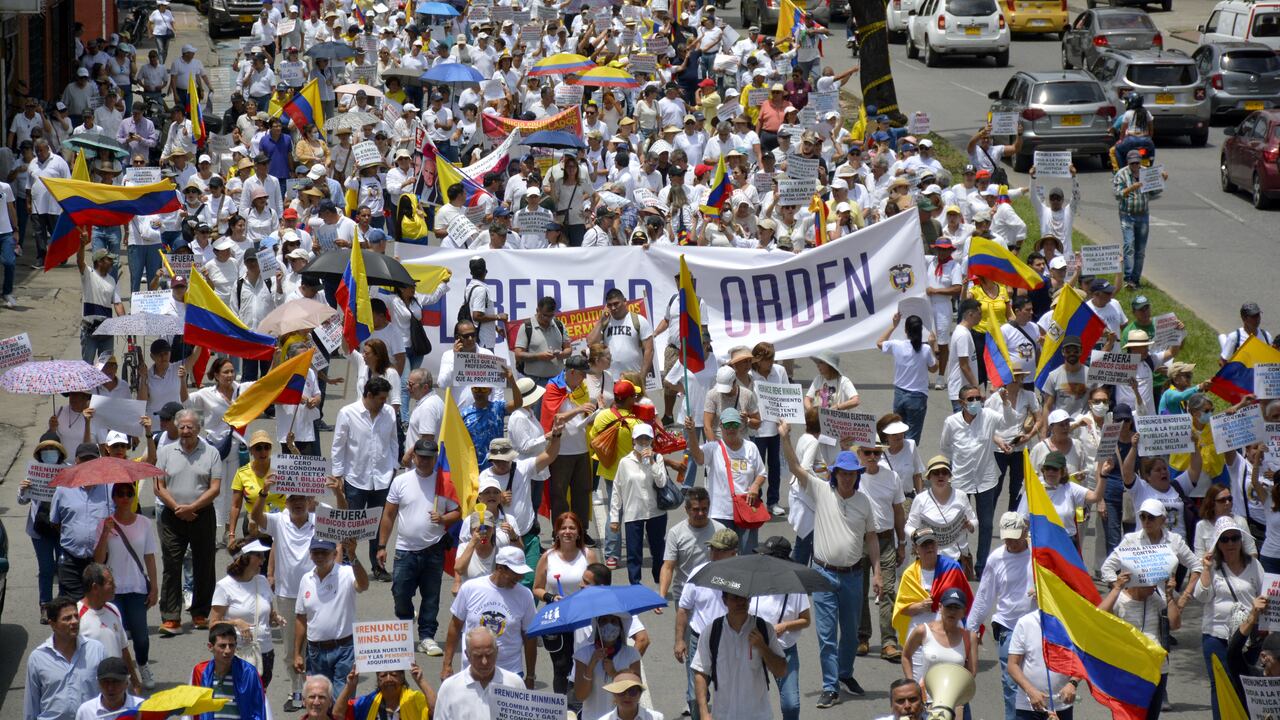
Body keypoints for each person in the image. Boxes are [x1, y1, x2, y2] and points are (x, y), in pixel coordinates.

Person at [779, 432, 880, 709]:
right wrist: (785, 438)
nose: (847, 478)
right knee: (826, 636)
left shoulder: (864, 502)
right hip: (823, 574)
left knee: (850, 633)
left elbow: (872, 537)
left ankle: (845, 673)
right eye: (842, 473)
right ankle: (830, 686)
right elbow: (795, 467)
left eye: (851, 474)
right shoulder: (821, 491)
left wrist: (878, 572)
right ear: (834, 474)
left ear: (857, 476)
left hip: (854, 576)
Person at [377, 437, 461, 658]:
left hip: (434, 549)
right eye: (421, 457)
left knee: (431, 596)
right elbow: (389, 514)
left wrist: (443, 518)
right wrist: (382, 545)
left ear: (435, 459)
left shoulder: (444, 481)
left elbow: (458, 511)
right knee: (400, 593)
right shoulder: (401, 481)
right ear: (413, 457)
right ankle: (405, 620)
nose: (424, 461)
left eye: (429, 458)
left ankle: (426, 636)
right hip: (405, 550)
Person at [154, 408, 222, 636]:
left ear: (199, 428)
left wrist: (192, 508)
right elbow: (159, 486)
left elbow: (215, 488)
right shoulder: (164, 452)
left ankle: (200, 612)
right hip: (171, 514)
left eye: (190, 427)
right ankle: (171, 617)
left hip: (202, 514)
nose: (185, 431)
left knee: (204, 564)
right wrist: (178, 508)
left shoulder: (211, 452)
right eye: (181, 426)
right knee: (172, 564)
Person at [965, 512, 1033, 720]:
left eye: (1015, 537)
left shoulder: (1038, 553)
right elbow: (985, 595)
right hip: (1008, 627)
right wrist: (971, 628)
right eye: (1007, 538)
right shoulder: (996, 558)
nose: (1011, 543)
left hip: (1037, 627)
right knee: (1011, 683)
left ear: (1025, 532)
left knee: (1035, 680)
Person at [1194, 516, 1263, 720]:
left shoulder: (1254, 565)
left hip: (1246, 637)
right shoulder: (1213, 566)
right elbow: (1201, 596)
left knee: (1245, 686)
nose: (1231, 543)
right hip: (1216, 636)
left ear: (1241, 540)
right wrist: (1206, 569)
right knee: (1221, 686)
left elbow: (1266, 595)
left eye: (1235, 538)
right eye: (1225, 539)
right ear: (1218, 543)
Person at [92, 479, 157, 690]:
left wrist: (155, 588)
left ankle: (143, 664)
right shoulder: (105, 523)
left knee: (141, 637)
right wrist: (105, 533)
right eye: (120, 494)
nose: (125, 498)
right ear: (113, 498)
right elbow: (98, 560)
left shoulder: (144, 523)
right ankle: (123, 675)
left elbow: (149, 557)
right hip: (112, 591)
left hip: (137, 587)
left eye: (129, 493)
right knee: (116, 637)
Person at [330, 377, 398, 579]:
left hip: (383, 477)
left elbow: (394, 441)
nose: (384, 402)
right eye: (381, 398)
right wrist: (337, 475)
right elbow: (338, 445)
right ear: (369, 395)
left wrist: (394, 467)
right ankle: (345, 563)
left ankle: (378, 566)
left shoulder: (389, 413)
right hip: (355, 477)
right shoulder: (347, 413)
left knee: (378, 525)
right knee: (351, 524)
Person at [442, 545, 538, 683]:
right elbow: (455, 627)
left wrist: (530, 676)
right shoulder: (470, 588)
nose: (520, 577)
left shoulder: (525, 595)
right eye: (515, 572)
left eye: (521, 572)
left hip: (510, 672)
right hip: (472, 670)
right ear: (500, 568)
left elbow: (530, 637)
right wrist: (447, 664)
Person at [690, 588, 788, 720]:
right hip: (723, 716)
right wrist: (703, 712)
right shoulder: (712, 632)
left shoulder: (764, 629)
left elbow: (781, 671)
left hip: (759, 716)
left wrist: (762, 647)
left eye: (744, 597)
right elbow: (701, 672)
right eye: (735, 597)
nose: (741, 602)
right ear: (724, 600)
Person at [294, 537, 369, 700]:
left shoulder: (347, 572)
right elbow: (301, 618)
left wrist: (353, 556)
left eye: (324, 552)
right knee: (320, 699)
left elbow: (363, 585)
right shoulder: (306, 579)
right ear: (310, 554)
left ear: (335, 554)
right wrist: (297, 653)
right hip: (315, 652)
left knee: (342, 700)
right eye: (316, 552)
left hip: (344, 649)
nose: (320, 556)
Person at [675, 527, 738, 720]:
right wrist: (680, 640)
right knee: (695, 696)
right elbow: (683, 609)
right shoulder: (698, 573)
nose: (714, 554)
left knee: (727, 694)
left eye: (720, 550)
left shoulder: (742, 578)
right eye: (712, 549)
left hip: (729, 641)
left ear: (733, 553)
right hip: (699, 640)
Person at [532, 511, 597, 697]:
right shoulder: (547, 557)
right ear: (557, 532)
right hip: (557, 620)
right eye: (563, 528)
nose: (567, 532)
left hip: (583, 619)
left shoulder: (588, 555)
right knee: (561, 666)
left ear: (579, 532)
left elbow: (599, 586)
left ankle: (581, 705)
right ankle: (561, 707)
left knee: (583, 665)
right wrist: (551, 597)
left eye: (572, 528)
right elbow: (537, 588)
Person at [685, 408, 767, 554]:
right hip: (721, 513)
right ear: (721, 426)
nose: (731, 429)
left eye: (734, 425)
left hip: (746, 511)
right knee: (722, 557)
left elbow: (761, 473)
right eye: (727, 425)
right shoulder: (713, 448)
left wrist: (755, 486)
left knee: (748, 557)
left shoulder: (751, 448)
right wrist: (691, 433)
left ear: (740, 426)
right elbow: (698, 457)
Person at [751, 536, 812, 720]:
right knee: (751, 704)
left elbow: (806, 620)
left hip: (784, 651)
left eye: (767, 556)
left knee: (791, 705)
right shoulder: (754, 580)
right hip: (754, 650)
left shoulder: (794, 586)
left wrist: (785, 626)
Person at [1100, 570, 1176, 720]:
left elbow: (1175, 624)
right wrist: (1117, 588)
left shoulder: (1156, 598)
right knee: (1126, 716)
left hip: (1157, 669)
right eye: (1150, 582)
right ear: (1136, 581)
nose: (1154, 586)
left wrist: (1169, 596)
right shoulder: (1119, 599)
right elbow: (1098, 618)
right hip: (1129, 671)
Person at [209, 539, 278, 687]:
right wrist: (236, 622)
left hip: (265, 651)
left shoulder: (262, 581)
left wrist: (275, 617)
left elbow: (269, 612)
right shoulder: (224, 586)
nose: (263, 559)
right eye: (258, 555)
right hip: (238, 653)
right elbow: (213, 624)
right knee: (238, 695)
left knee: (260, 694)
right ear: (245, 558)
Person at [49, 443, 113, 601]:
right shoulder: (63, 489)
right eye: (84, 460)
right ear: (76, 461)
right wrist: (74, 535)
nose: (88, 464)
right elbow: (55, 521)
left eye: (92, 460)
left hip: (99, 561)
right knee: (74, 603)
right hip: (70, 559)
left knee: (96, 603)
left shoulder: (109, 489)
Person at [25, 597, 106, 720]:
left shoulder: (96, 650)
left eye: (76, 616)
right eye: (67, 618)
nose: (74, 621)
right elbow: (31, 704)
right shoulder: (38, 658)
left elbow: (110, 692)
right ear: (53, 624)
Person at [610, 423, 670, 585]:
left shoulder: (657, 458)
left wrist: (651, 462)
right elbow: (617, 490)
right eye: (640, 439)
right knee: (634, 553)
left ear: (651, 441)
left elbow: (662, 482)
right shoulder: (625, 462)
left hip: (655, 512)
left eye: (647, 439)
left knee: (658, 551)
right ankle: (635, 586)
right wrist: (614, 518)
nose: (643, 442)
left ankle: (659, 582)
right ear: (633, 441)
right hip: (633, 512)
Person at [901, 588, 975, 710]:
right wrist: (912, 685)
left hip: (955, 703)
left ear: (964, 612)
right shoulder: (923, 631)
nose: (952, 611)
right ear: (940, 607)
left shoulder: (969, 637)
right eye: (948, 607)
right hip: (926, 700)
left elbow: (971, 673)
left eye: (957, 607)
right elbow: (906, 656)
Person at [75, 564, 142, 695]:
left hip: (119, 689)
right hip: (93, 692)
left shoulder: (113, 609)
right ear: (95, 587)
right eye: (110, 583)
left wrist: (135, 682)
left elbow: (124, 649)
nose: (115, 587)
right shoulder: (76, 616)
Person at [434, 627, 525, 720]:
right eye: (478, 656)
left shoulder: (514, 684)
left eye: (489, 655)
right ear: (467, 655)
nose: (484, 662)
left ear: (497, 651)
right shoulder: (450, 688)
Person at [1007, 611, 1084, 720]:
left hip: (1062, 706)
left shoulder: (1072, 623)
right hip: (1028, 706)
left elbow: (1082, 661)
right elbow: (1012, 665)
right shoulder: (1025, 623)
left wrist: (1072, 683)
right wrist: (1031, 691)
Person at [877, 313, 937, 445]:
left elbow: (879, 343)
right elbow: (934, 369)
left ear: (905, 330)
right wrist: (933, 345)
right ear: (921, 330)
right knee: (912, 437)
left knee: (898, 432)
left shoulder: (897, 345)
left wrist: (893, 325)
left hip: (899, 395)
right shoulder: (926, 349)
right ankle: (909, 457)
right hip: (917, 397)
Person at [192, 622, 270, 720]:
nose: (228, 651)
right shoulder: (201, 672)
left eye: (231, 645)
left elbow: (258, 710)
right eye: (222, 646)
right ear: (210, 647)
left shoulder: (248, 673)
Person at [573, 614, 643, 719]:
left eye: (613, 621)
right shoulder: (583, 654)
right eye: (604, 621)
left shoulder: (632, 654)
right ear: (597, 626)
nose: (609, 625)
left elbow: (635, 693)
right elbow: (580, 696)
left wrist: (614, 674)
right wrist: (591, 666)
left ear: (620, 626)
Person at [227, 430, 286, 546]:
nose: (263, 451)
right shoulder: (242, 473)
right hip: (254, 526)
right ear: (251, 451)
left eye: (267, 447)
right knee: (257, 558)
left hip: (279, 523)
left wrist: (292, 447)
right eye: (258, 448)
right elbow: (235, 506)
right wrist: (231, 535)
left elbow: (300, 473)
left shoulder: (281, 469)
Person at [587, 288, 654, 377]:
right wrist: (601, 321)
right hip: (609, 379)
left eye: (616, 303)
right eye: (610, 305)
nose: (613, 308)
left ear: (625, 301)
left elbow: (649, 350)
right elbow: (591, 343)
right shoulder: (605, 323)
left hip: (633, 378)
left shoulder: (639, 320)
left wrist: (642, 376)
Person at [334, 665, 435, 720]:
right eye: (383, 676)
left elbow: (436, 711)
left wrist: (421, 681)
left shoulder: (415, 699)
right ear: (378, 680)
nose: (388, 679)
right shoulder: (367, 703)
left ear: (402, 678)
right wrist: (349, 686)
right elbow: (337, 714)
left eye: (393, 675)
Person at [74, 657, 143, 720]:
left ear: (127, 682)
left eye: (116, 682)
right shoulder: (85, 712)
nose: (110, 688)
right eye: (105, 682)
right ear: (98, 683)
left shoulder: (142, 708)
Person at [599, 673, 664, 720]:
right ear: (614, 694)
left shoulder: (657, 718)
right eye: (621, 692)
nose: (627, 696)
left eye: (633, 691)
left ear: (640, 694)